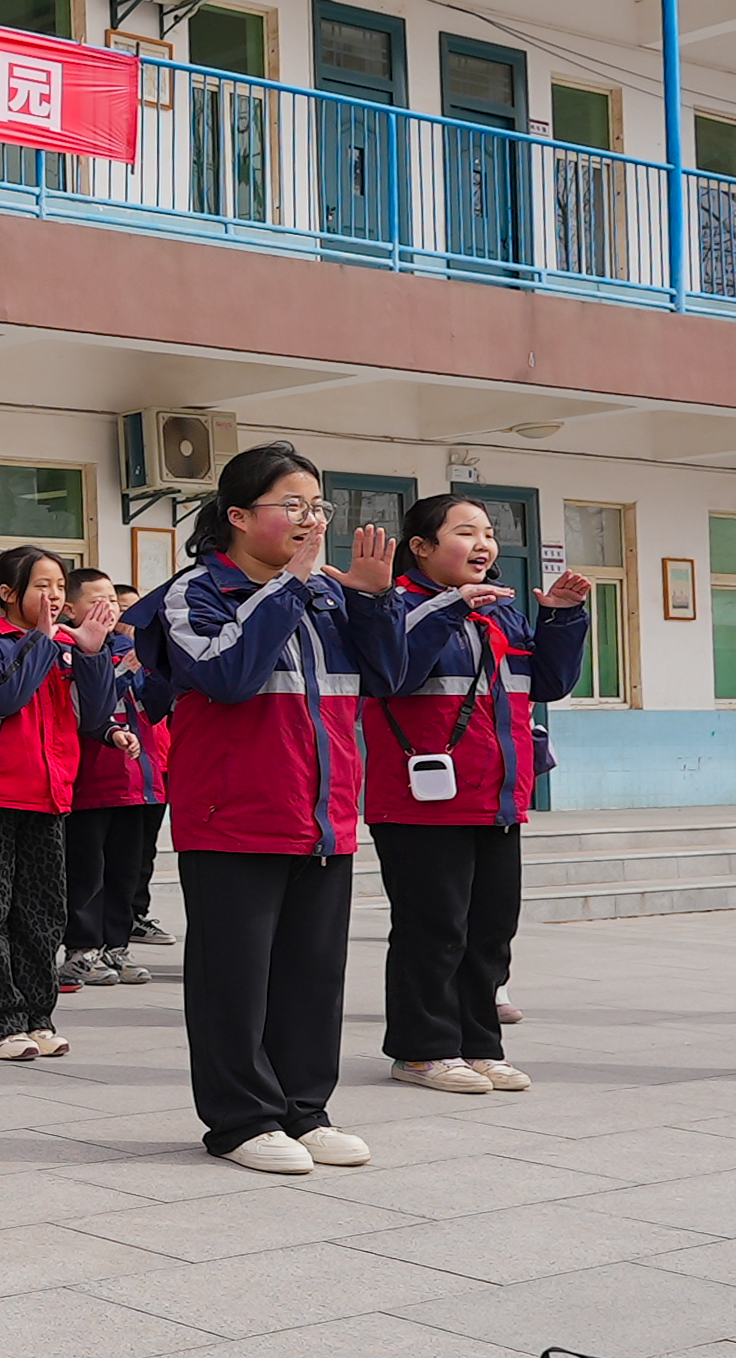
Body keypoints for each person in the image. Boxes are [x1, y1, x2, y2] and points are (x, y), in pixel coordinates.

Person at [139, 444, 399, 1178]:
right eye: (293, 505)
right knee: (234, 981)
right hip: (233, 818)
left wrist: (373, 602)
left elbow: (390, 678)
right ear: (239, 516)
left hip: (322, 816)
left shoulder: (327, 597)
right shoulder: (195, 594)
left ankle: (304, 1111)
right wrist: (287, 587)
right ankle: (241, 1119)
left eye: (318, 506)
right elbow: (227, 675)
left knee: (312, 978)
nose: (310, 519)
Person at [366, 496, 590, 1097]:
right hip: (422, 801)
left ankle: (479, 1046)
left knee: (489, 931)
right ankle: (422, 1050)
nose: (484, 544)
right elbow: (396, 673)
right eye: (466, 533)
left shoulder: (500, 612)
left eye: (489, 533)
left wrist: (562, 618)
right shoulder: (394, 606)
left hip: (497, 796)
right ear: (420, 547)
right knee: (433, 929)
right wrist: (449, 607)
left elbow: (548, 683)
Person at [0, 547, 90, 1062]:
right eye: (42, 586)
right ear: (7, 593)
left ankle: (36, 1016)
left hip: (49, 793)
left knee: (43, 913)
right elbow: (3, 697)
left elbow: (95, 713)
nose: (55, 597)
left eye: (60, 587)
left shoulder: (60, 645)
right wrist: (43, 643)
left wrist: (93, 654)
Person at [60, 568, 171, 988]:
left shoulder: (130, 646)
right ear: (70, 610)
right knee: (87, 871)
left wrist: (158, 666)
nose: (108, 608)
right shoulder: (65, 649)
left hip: (138, 779)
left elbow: (155, 704)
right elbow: (87, 708)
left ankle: (116, 946)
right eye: (96, 601)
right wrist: (121, 671)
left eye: (112, 600)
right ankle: (81, 950)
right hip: (89, 782)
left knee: (127, 871)